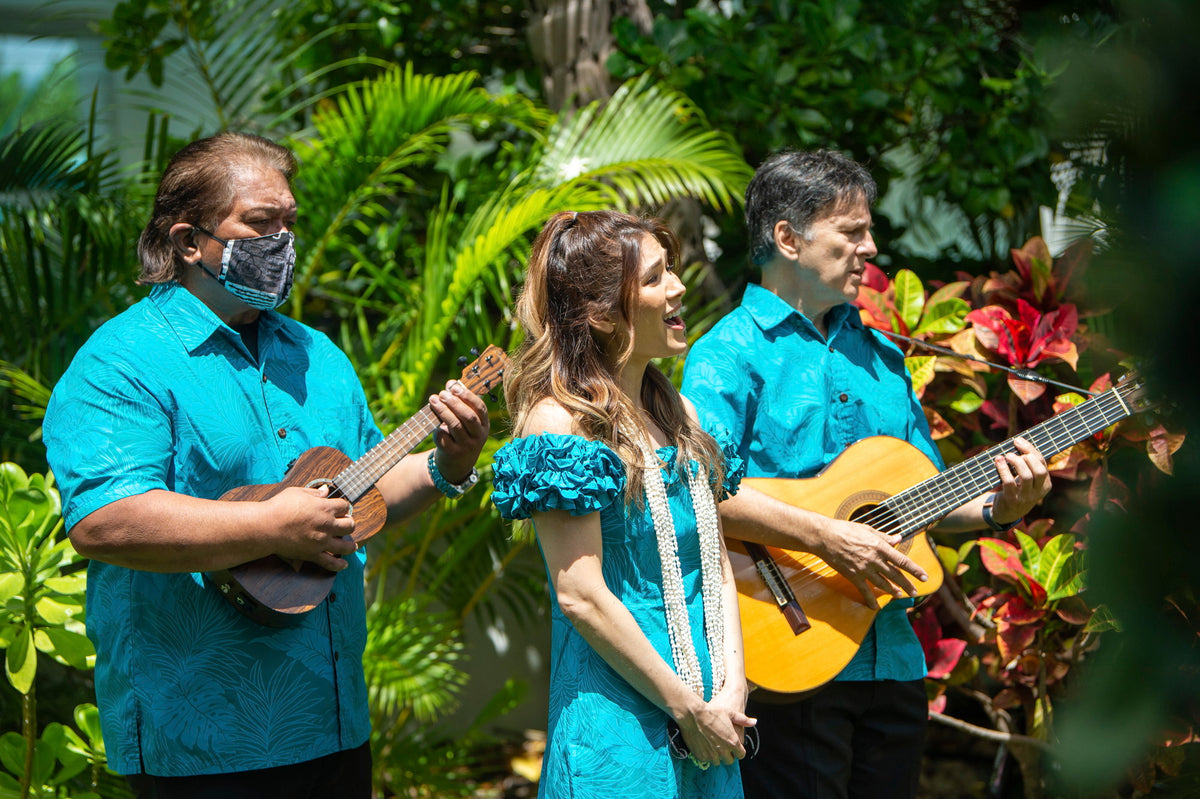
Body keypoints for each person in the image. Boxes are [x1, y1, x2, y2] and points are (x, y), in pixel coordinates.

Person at [42, 131, 491, 798]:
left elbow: (359, 494)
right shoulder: (121, 362)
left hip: (334, 720)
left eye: (289, 221)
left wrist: (448, 462)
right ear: (188, 240)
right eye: (259, 223)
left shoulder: (317, 356)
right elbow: (106, 520)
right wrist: (273, 527)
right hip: (201, 741)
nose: (281, 239)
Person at [680, 149, 1052, 798]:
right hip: (787, 651)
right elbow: (699, 494)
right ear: (788, 238)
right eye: (852, 232)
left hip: (893, 660)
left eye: (869, 230)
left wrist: (1001, 506)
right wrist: (827, 537)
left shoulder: (883, 356)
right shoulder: (726, 355)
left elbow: (925, 498)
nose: (871, 247)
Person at [490, 211, 756, 798]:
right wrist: (686, 706)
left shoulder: (680, 415)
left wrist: (733, 687)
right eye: (657, 277)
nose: (679, 287)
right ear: (602, 312)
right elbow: (580, 595)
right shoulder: (561, 425)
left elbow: (712, 563)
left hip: (712, 722)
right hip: (620, 729)